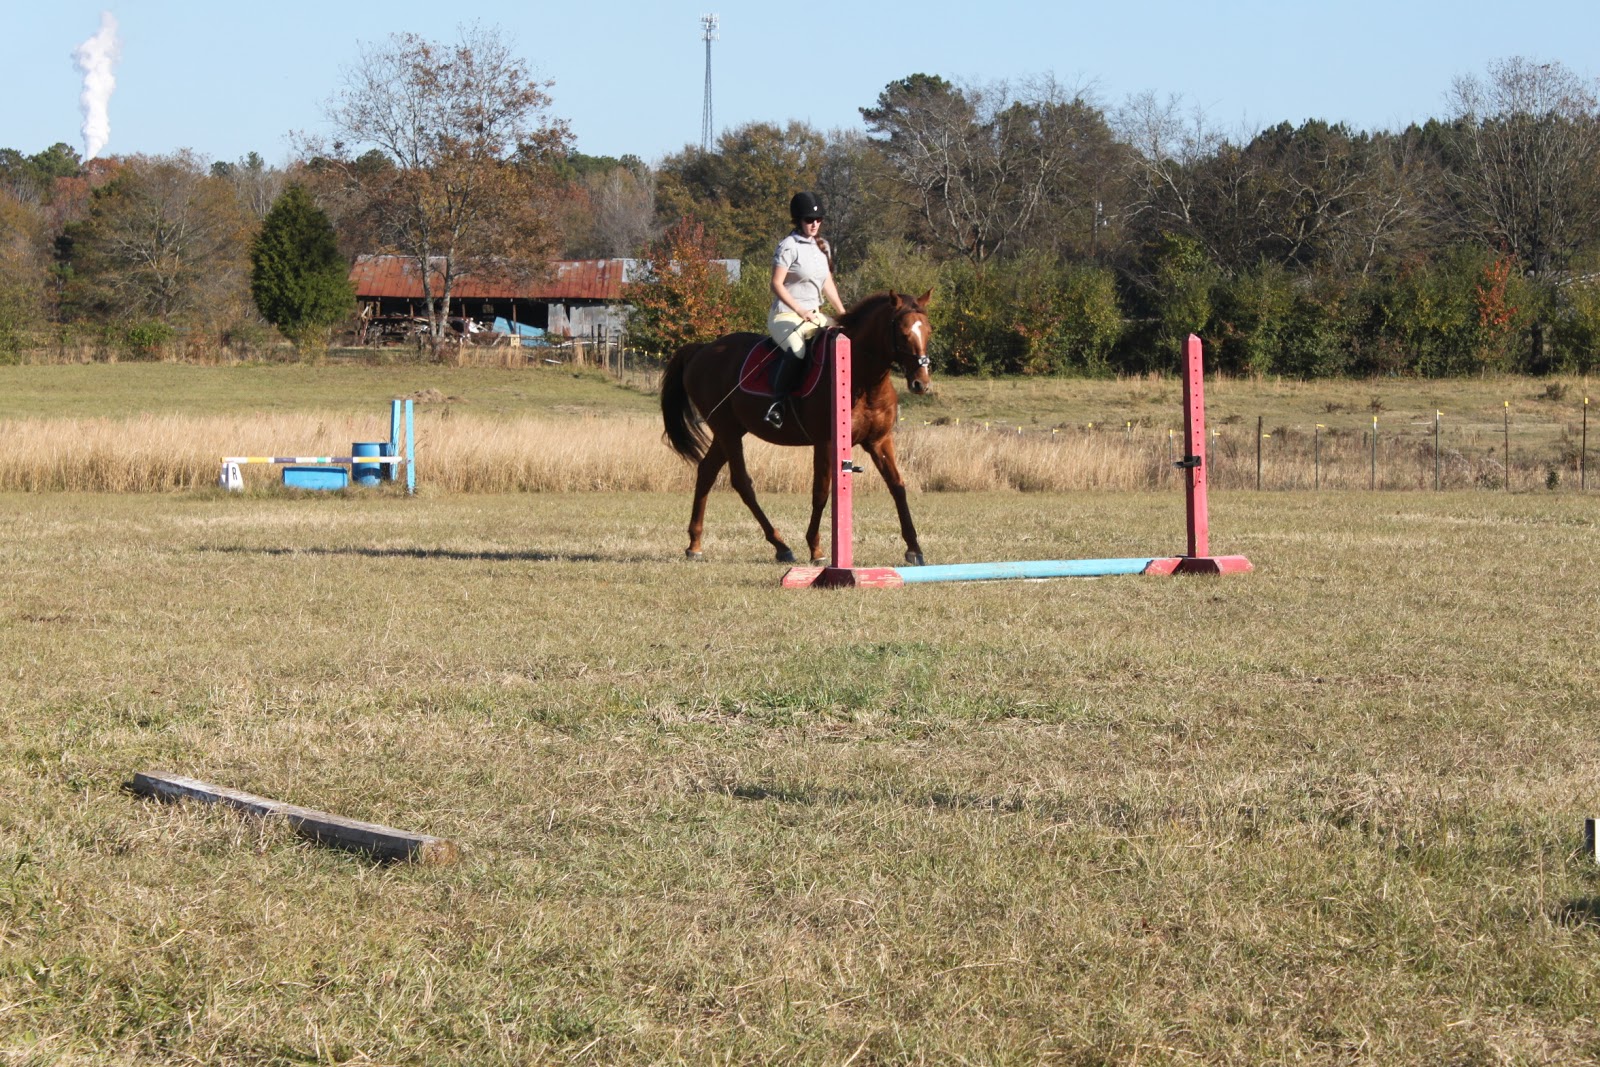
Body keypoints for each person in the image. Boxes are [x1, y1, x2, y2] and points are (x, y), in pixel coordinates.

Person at [764, 191, 846, 428]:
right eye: (810, 220)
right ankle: (777, 405)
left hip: (815, 315)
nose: (815, 224)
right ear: (798, 220)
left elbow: (827, 283)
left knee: (848, 338)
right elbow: (776, 284)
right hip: (785, 315)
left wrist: (843, 313)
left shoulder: (823, 246)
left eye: (819, 220)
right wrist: (800, 311)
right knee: (798, 351)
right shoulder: (788, 246)